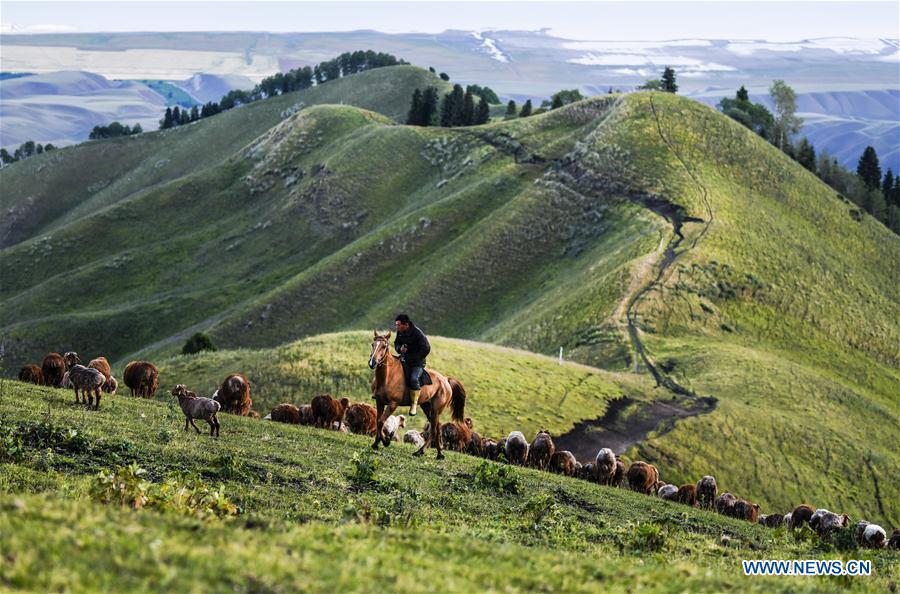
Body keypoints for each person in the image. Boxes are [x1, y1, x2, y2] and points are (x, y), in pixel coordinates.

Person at [393, 313, 430, 416]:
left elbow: (426, 348)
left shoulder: (418, 333)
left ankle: (414, 405)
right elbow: (396, 343)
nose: (397, 327)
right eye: (396, 325)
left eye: (398, 325)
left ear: (406, 325)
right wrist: (399, 349)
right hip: (404, 359)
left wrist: (415, 358)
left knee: (414, 379)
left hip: (417, 363)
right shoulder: (400, 332)